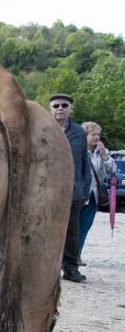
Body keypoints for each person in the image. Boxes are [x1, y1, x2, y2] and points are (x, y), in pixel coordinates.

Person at [50, 94, 89, 283]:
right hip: (46, 190)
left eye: (64, 105)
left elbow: (84, 162)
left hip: (73, 190)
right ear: (50, 108)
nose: (60, 108)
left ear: (70, 108)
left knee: (72, 232)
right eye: (56, 105)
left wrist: (84, 188)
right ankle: (45, 270)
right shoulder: (44, 129)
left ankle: (71, 269)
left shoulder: (79, 132)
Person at [78, 121, 115, 264]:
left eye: (98, 135)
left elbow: (111, 170)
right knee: (73, 227)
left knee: (85, 226)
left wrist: (105, 155)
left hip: (94, 196)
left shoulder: (101, 152)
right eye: (93, 134)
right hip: (79, 193)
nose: (96, 138)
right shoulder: (78, 150)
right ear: (85, 135)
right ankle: (68, 255)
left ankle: (77, 254)